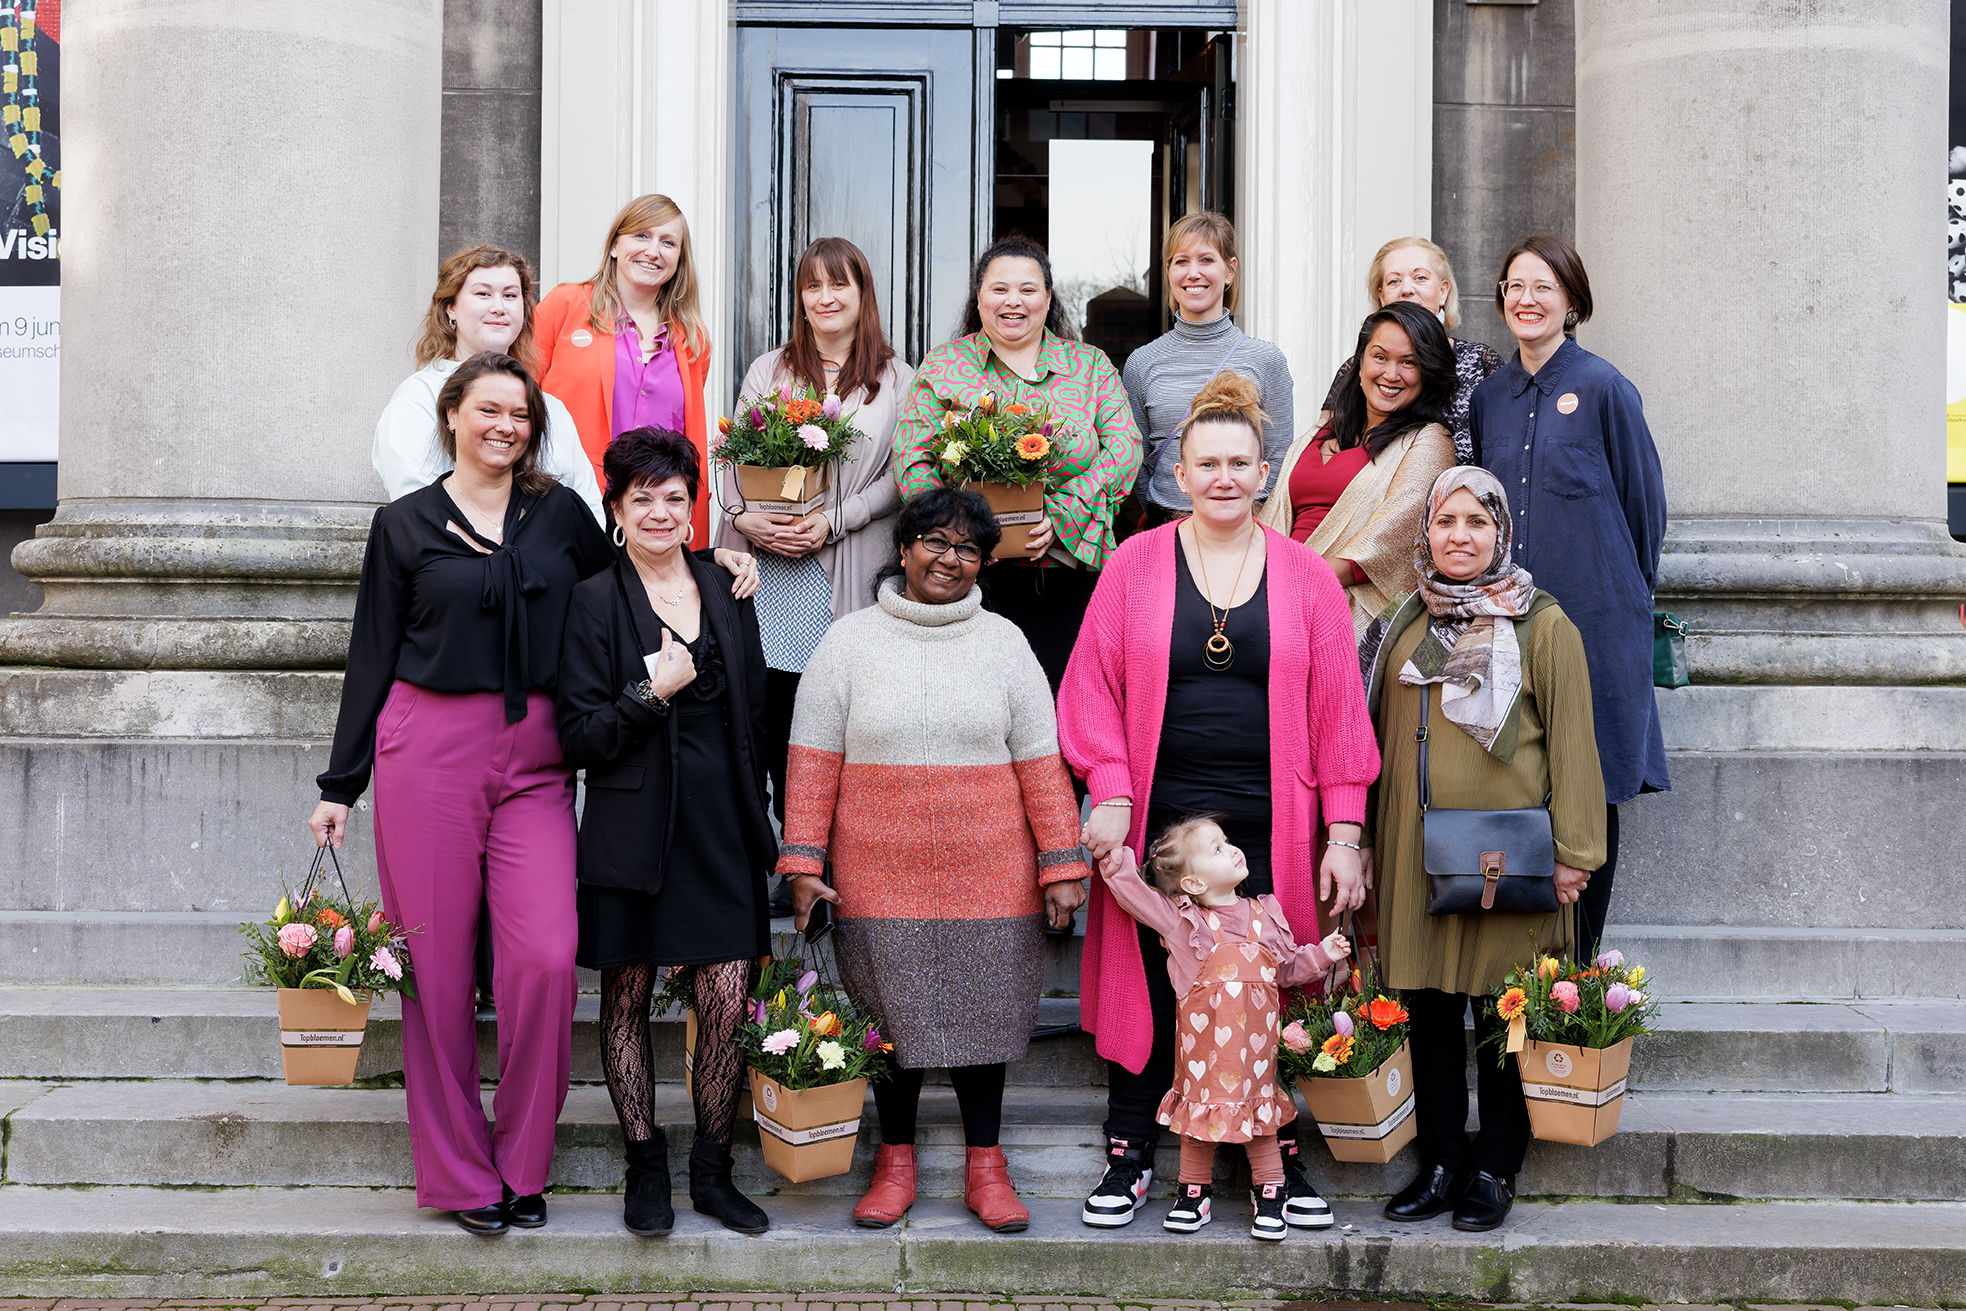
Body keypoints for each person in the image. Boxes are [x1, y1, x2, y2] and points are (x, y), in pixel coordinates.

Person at [1057, 373, 1381, 1233]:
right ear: (1179, 471)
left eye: (1241, 462)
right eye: (1210, 463)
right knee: (1160, 971)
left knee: (1267, 973)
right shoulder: (1135, 563)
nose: (1226, 476)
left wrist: (1344, 831)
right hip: (1163, 807)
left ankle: (1282, 1161)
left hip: (1277, 809)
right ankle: (1130, 1148)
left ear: (1266, 471)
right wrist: (1113, 791)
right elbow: (1089, 688)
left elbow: (1342, 712)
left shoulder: (1308, 577)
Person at [308, 352, 614, 1236]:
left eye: (519, 414)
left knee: (548, 955)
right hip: (427, 749)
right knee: (435, 968)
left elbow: (621, 591)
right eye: (487, 410)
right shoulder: (404, 524)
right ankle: (455, 1170)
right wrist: (341, 784)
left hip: (538, 754)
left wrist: (717, 576)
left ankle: (522, 1162)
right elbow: (371, 654)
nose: (504, 426)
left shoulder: (560, 514)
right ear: (452, 416)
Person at [780, 488, 1090, 1234]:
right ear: (905, 547)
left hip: (991, 872)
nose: (950, 560)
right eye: (936, 543)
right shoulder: (847, 642)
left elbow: (1041, 763)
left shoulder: (1006, 643)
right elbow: (812, 765)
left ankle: (988, 1166)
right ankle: (895, 1164)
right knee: (891, 1024)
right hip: (876, 874)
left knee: (986, 1020)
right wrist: (801, 862)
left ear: (984, 562)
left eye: (968, 550)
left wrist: (1061, 862)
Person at [1358, 465, 1607, 1233]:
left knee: (1504, 1014)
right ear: (1425, 532)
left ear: (1501, 531)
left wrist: (1576, 853)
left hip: (1510, 855)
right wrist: (1361, 841)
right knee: (1428, 1007)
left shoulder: (1543, 624)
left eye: (1476, 522)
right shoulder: (1404, 621)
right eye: (1446, 522)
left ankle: (1495, 1166)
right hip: (1413, 850)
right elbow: (1372, 739)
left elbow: (1572, 744)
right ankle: (1440, 1161)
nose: (1459, 536)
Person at [556, 426, 777, 1238]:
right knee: (628, 994)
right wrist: (649, 696)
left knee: (726, 993)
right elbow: (574, 737)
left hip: (722, 822)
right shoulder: (589, 601)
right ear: (615, 505)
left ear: (695, 506)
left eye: (674, 496)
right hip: (631, 824)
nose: (658, 510)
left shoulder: (727, 582)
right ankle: (643, 1167)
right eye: (640, 496)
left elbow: (755, 707)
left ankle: (713, 1169)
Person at [1469, 233, 1668, 956]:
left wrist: (1620, 598)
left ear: (1572, 301)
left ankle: (1575, 973)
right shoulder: (1490, 398)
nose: (1527, 299)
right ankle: (1518, 968)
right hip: (1508, 627)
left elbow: (1644, 514)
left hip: (1594, 625)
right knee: (1517, 775)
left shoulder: (1606, 388)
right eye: (1515, 286)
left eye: (1543, 287)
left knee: (1588, 784)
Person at [718, 237, 913, 835]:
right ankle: (789, 849)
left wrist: (836, 518)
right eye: (812, 286)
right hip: (775, 571)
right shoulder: (769, 370)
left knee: (846, 716)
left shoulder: (898, 378)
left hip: (851, 565)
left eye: (839, 285)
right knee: (777, 715)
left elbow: (901, 479)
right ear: (800, 298)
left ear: (863, 295)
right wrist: (743, 516)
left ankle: (838, 853)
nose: (825, 298)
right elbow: (730, 459)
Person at [892, 235, 1142, 691]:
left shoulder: (1089, 366)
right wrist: (966, 531)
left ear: (1048, 298)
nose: (1014, 301)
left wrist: (1062, 514)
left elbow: (1125, 448)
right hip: (968, 578)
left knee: (1066, 713)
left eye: (1028, 290)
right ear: (979, 296)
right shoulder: (944, 366)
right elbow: (913, 463)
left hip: (1069, 574)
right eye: (999, 288)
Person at [1094, 821, 1350, 1241]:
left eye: (1227, 842)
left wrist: (1323, 954)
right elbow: (1135, 894)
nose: (1232, 849)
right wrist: (1112, 850)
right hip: (1203, 1059)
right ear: (1192, 881)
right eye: (1216, 849)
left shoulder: (1263, 915)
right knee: (1199, 1119)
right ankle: (1193, 1193)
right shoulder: (1183, 924)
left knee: (1261, 1118)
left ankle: (1271, 1191)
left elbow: (1286, 971)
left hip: (1255, 1058)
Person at [1259, 300, 1458, 635]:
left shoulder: (1429, 440)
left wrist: (1300, 585)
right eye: (1380, 357)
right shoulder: (1318, 432)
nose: (1391, 374)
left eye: (1408, 363)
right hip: (1274, 597)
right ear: (1361, 360)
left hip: (1345, 613)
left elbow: (1390, 538)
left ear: (1427, 372)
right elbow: (1273, 518)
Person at [372, 244, 602, 522]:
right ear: (451, 309)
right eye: (483, 294)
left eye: (510, 295)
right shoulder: (418, 398)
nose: (498, 307)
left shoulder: (551, 408)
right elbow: (417, 510)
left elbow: (588, 512)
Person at [535, 193, 715, 545]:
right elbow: (519, 398)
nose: (653, 251)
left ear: (679, 259)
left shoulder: (692, 339)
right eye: (641, 236)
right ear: (615, 245)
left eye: (668, 242)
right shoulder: (565, 305)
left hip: (656, 518)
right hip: (571, 502)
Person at [1123, 212, 1294, 526]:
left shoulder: (1266, 359)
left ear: (1229, 271)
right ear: (1169, 271)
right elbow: (1135, 453)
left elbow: (1279, 453)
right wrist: (1160, 509)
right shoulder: (1141, 362)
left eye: (1206, 260)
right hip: (1166, 523)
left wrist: (1252, 517)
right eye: (1181, 261)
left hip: (1244, 525)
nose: (1193, 273)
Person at [1317, 237, 1501, 463]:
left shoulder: (1480, 363)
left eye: (1420, 277)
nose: (1406, 289)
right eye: (1394, 281)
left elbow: (1503, 454)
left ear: (1443, 292)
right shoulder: (1356, 368)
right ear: (1381, 296)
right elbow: (1322, 447)